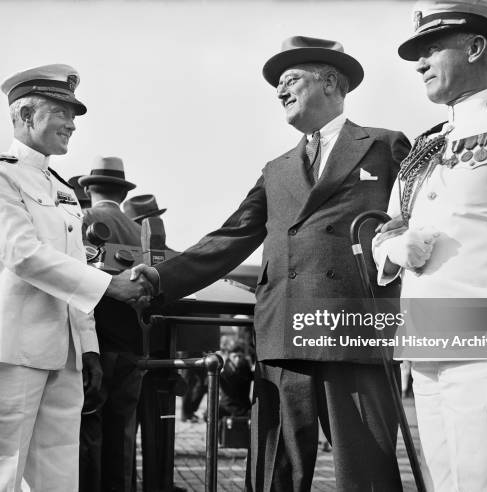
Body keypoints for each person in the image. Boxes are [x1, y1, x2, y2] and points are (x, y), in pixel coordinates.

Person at [124, 36, 411, 490]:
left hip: (354, 331)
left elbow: (412, 227)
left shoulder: (385, 146)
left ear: (332, 83)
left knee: (369, 473)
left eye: (290, 79)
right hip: (284, 336)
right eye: (278, 84)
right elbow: (234, 234)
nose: (280, 92)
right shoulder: (277, 169)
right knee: (275, 472)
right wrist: (161, 276)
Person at [0, 64, 150, 492]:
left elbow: (72, 271)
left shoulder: (61, 189)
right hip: (4, 352)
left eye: (74, 114)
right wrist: (111, 285)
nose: (72, 124)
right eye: (63, 111)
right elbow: (22, 255)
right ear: (25, 115)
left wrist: (89, 351)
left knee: (56, 480)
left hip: (61, 357)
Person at [373, 2, 487, 490]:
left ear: (475, 46)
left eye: (431, 49)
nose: (419, 64)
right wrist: (391, 251)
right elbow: (387, 230)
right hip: (426, 351)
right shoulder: (424, 148)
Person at [78, 156, 143, 492]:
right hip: (131, 341)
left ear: (88, 189)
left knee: (89, 429)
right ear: (121, 192)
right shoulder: (139, 229)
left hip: (96, 341)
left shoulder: (84, 218)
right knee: (122, 434)